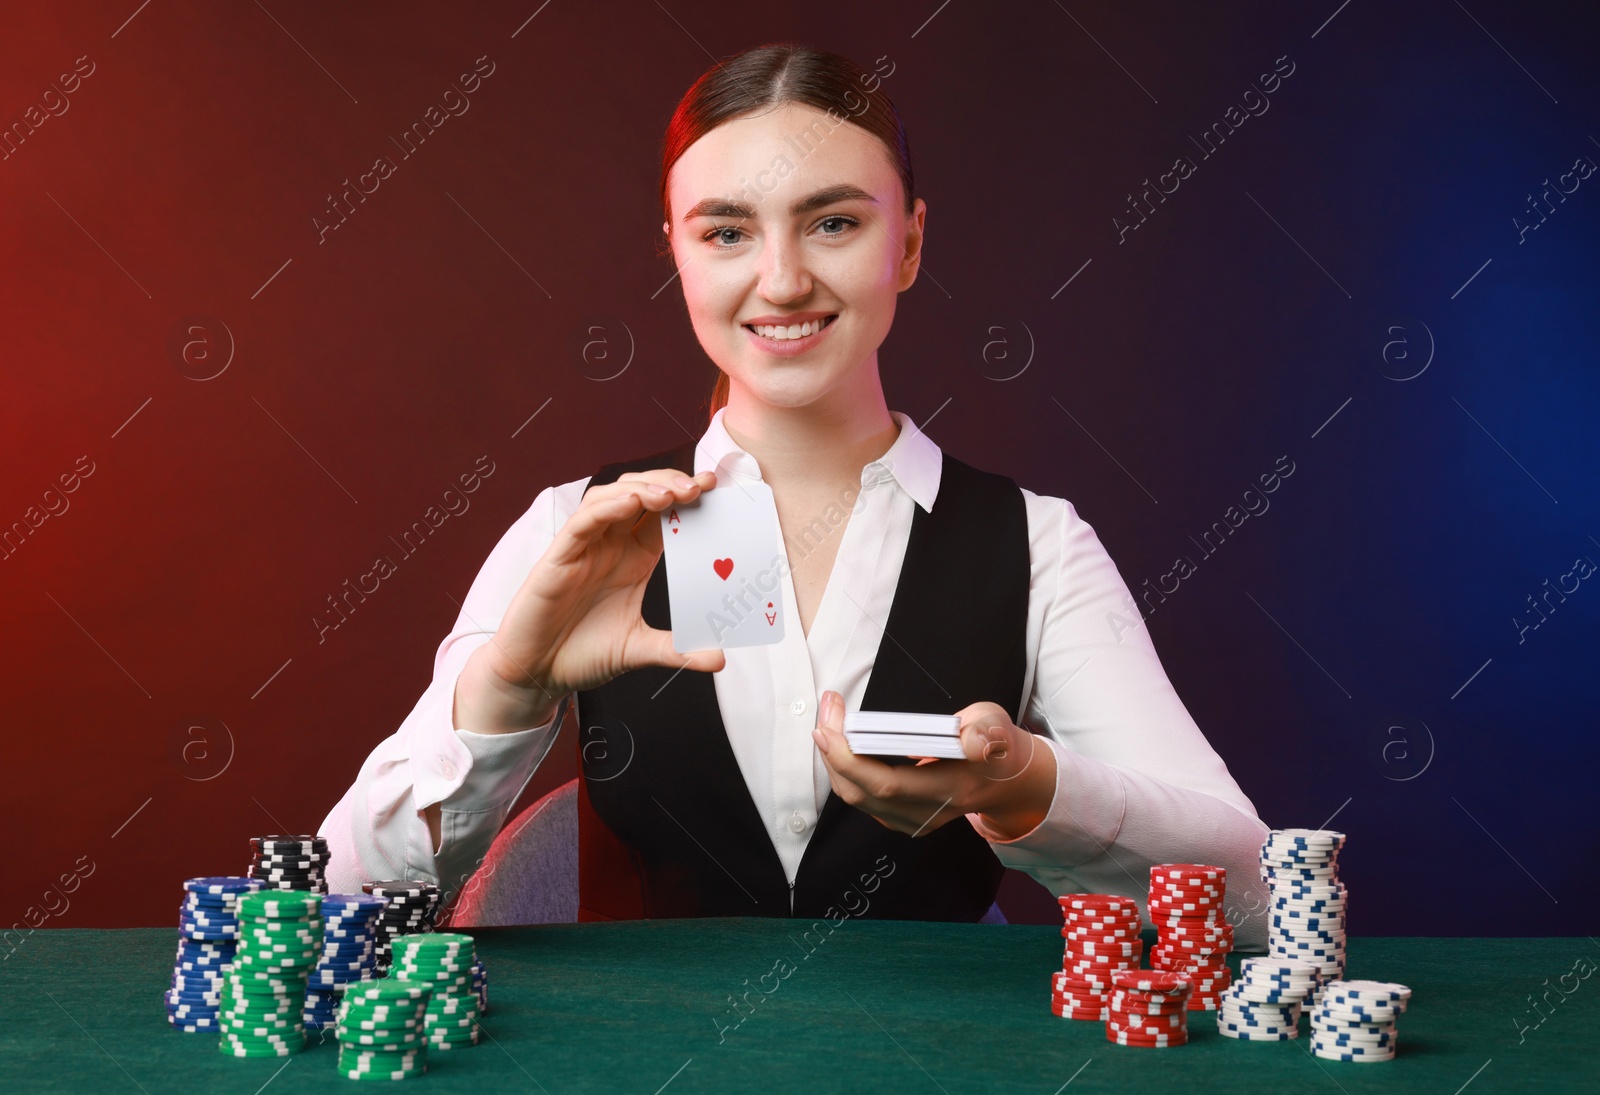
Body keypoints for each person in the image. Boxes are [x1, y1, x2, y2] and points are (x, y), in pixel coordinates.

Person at [322, 43, 1271, 944]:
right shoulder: (575, 526)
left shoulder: (1037, 544)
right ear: (679, 255)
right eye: (728, 231)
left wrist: (1025, 788)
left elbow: (1254, 896)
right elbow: (344, 895)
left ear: (908, 243)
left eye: (834, 223)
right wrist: (508, 688)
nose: (781, 280)